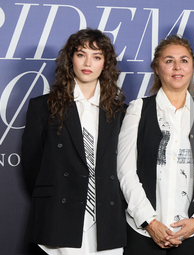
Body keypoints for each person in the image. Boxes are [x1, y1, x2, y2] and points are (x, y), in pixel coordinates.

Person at [117, 34, 194, 255]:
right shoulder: (138, 109)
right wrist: (149, 222)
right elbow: (126, 172)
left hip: (192, 232)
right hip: (143, 230)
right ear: (157, 68)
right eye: (169, 61)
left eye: (184, 60)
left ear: (192, 67)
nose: (177, 67)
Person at [21, 28, 126, 254]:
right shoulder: (42, 107)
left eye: (96, 56)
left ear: (105, 64)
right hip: (59, 217)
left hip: (107, 221)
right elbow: (32, 167)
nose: (88, 62)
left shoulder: (120, 112)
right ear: (71, 59)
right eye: (81, 54)